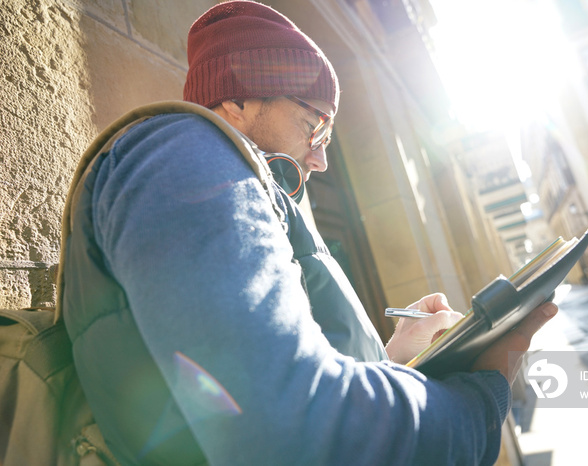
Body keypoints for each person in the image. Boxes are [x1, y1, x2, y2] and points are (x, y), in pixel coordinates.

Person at [61, 1, 558, 465]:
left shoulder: (230, 175)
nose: (321, 159)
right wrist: (484, 392)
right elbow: (290, 427)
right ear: (236, 98)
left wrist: (393, 358)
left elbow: (284, 384)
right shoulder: (184, 157)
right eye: (313, 126)